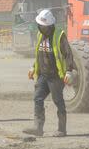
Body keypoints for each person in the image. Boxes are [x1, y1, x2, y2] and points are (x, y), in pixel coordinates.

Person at [23, 9, 76, 137]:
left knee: (58, 101)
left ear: (50, 25)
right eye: (40, 25)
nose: (41, 28)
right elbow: (40, 54)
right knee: (37, 98)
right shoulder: (40, 35)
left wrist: (69, 71)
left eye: (43, 26)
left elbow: (68, 54)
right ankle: (38, 128)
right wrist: (33, 67)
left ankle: (62, 130)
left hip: (56, 76)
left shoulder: (59, 35)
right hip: (43, 75)